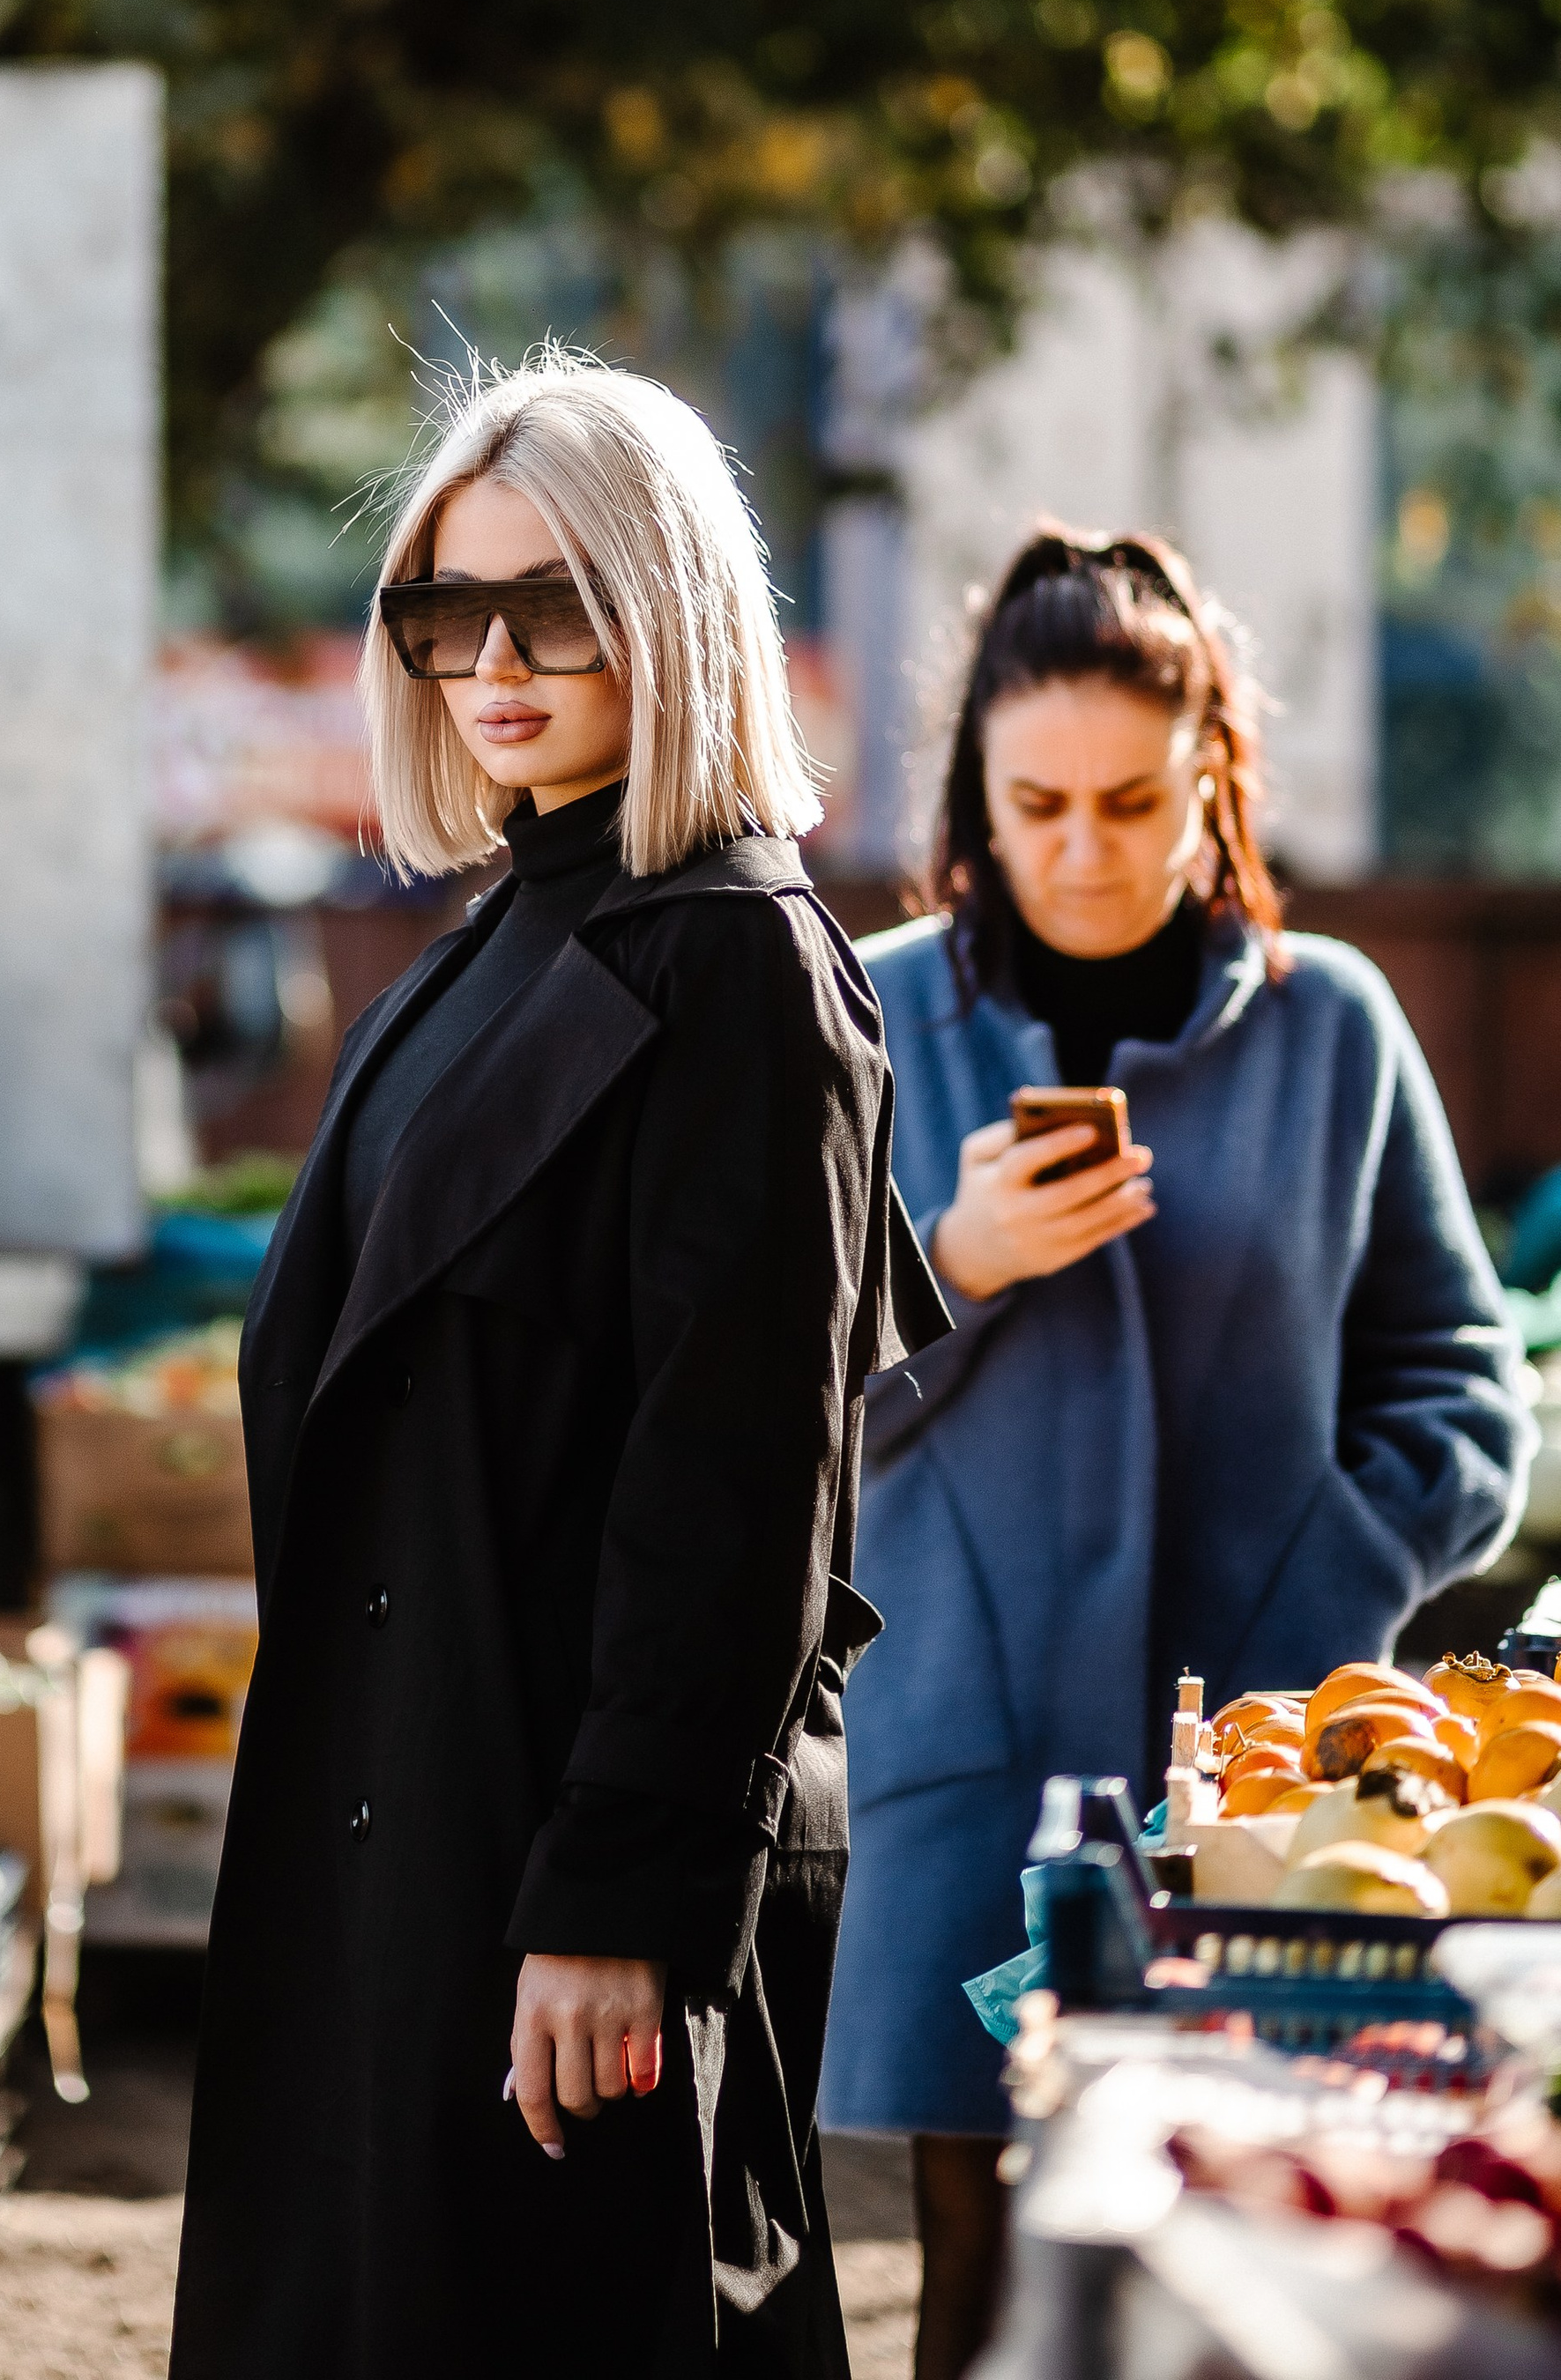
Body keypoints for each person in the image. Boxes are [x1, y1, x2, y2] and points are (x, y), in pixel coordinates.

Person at [169, 353, 948, 2380]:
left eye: (554, 607)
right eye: (441, 611)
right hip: (395, 1817)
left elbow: (737, 1491)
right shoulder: (492, 927)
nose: (487, 661)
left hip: (553, 1857)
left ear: (672, 612)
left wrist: (609, 1894)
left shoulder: (741, 963)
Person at [820, 525, 1533, 2380]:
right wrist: (947, 1267)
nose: (1077, 848)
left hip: (1270, 1796)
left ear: (1211, 768)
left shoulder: (1329, 1027)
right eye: (1032, 800)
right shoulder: (873, 1018)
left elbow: (1460, 1393)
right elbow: (755, 1418)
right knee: (972, 2272)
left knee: (1253, 2247)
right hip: (961, 1761)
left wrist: (1322, 1566)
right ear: (973, 784)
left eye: (1128, 801)